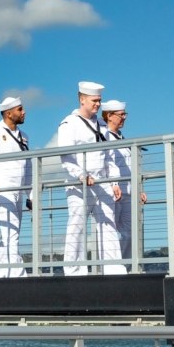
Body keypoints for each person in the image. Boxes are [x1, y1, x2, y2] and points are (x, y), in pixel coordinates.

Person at [58, 82, 121, 275]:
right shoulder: (69, 124)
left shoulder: (102, 125)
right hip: (79, 185)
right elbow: (66, 156)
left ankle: (113, 269)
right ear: (82, 99)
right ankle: (74, 270)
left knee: (108, 226)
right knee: (77, 226)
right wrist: (80, 175)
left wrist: (114, 182)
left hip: (102, 183)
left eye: (100, 101)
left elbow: (109, 155)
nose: (98, 104)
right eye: (94, 100)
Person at [0, 97, 32, 278]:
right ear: (9, 113)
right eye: (20, 109)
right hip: (2, 190)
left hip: (18, 189)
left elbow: (28, 166)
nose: (24, 112)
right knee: (11, 233)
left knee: (11, 233)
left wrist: (31, 194)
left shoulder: (24, 136)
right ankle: (19, 276)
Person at [102, 100, 147, 267]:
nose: (124, 118)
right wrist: (112, 184)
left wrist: (139, 188)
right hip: (112, 192)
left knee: (130, 233)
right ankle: (111, 267)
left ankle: (126, 267)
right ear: (109, 116)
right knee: (110, 234)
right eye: (121, 115)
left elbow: (131, 167)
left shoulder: (123, 139)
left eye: (124, 114)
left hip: (129, 192)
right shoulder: (103, 137)